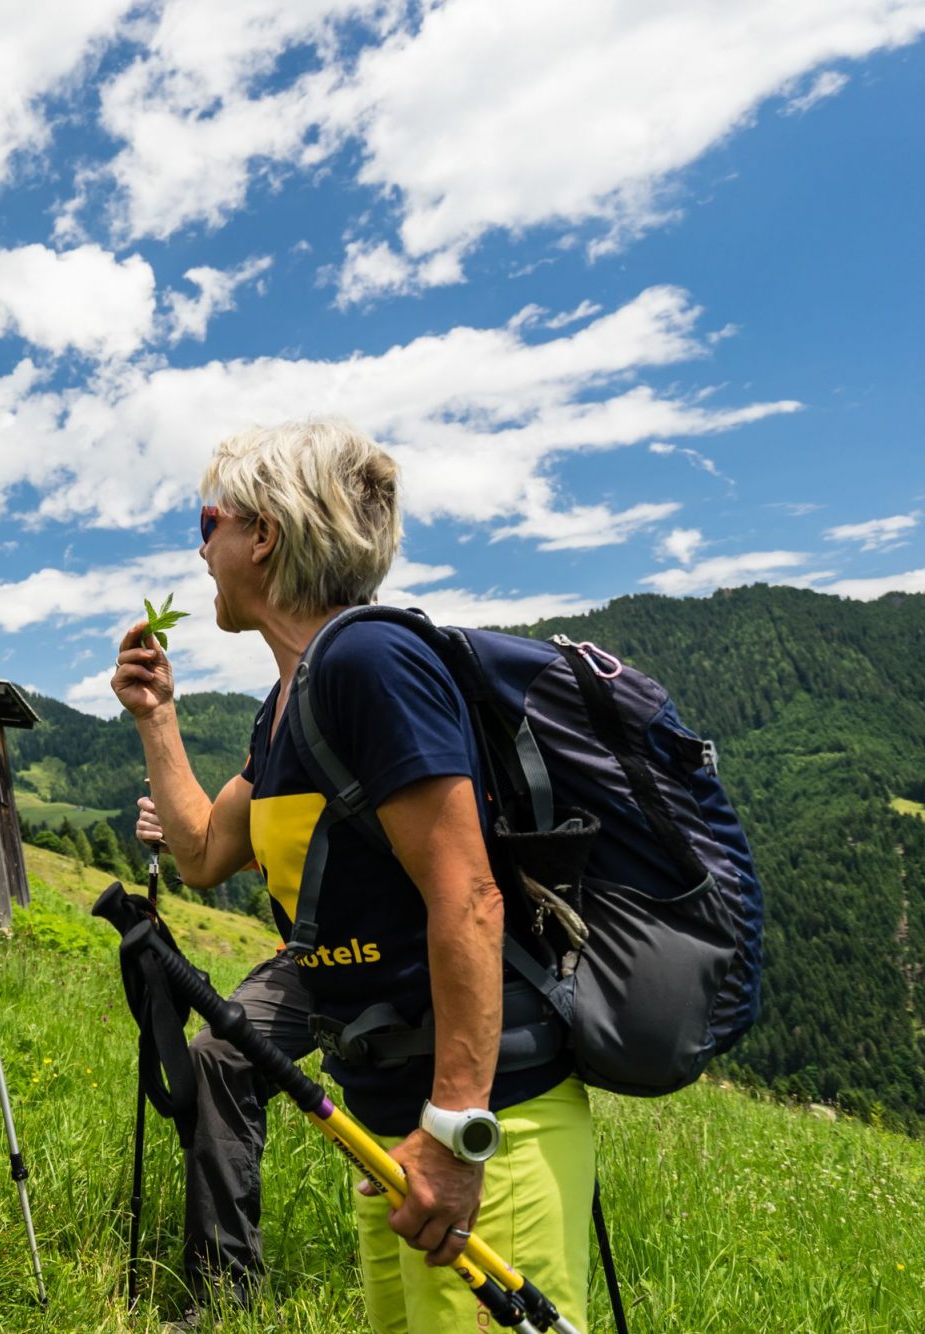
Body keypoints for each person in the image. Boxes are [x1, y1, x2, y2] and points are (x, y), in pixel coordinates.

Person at [112, 419, 592, 1331]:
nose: (199, 550)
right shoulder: (293, 703)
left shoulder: (370, 662)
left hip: (488, 1125)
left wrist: (458, 1131)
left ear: (263, 535)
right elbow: (208, 852)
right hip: (388, 1124)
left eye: (206, 523)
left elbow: (470, 894)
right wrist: (156, 717)